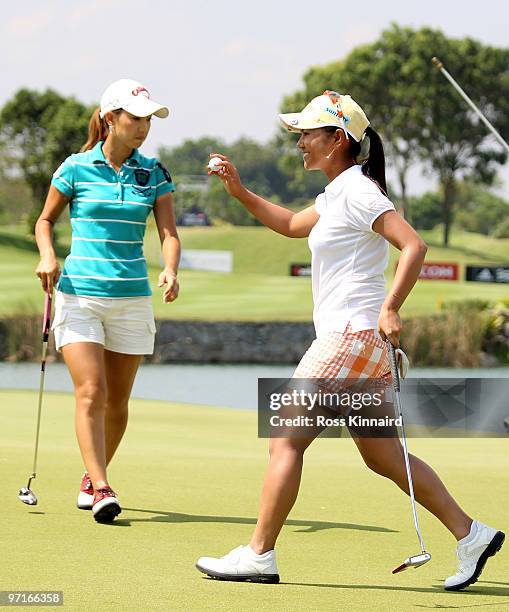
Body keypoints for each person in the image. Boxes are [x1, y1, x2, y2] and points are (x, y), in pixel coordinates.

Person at [195, 91, 504, 589]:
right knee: (382, 454)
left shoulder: (359, 191)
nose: (299, 142)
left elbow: (413, 246)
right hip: (362, 344)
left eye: (307, 133)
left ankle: (258, 554)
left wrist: (390, 306)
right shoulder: (338, 191)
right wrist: (240, 191)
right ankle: (470, 536)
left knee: (284, 438)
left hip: (350, 336)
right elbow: (294, 226)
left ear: (337, 139)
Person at [35, 79, 180, 523]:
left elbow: (168, 233)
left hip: (132, 299)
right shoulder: (76, 168)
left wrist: (171, 268)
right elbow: (45, 220)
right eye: (135, 118)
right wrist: (47, 254)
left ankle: (91, 476)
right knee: (91, 392)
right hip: (80, 296)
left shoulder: (153, 172)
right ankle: (101, 488)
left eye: (148, 120)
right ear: (110, 118)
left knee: (117, 402)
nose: (142, 127)